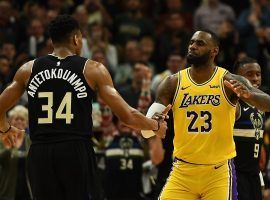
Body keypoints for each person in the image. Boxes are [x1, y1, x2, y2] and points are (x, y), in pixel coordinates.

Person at [0, 15, 169, 200]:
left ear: (51, 40)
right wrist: (154, 125)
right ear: (76, 39)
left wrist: (4, 127)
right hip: (75, 150)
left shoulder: (28, 69)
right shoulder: (92, 69)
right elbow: (127, 115)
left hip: (40, 151)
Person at [142, 30, 270, 199]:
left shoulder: (229, 80)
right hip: (183, 170)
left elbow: (267, 102)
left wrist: (250, 95)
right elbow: (146, 129)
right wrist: (153, 125)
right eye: (191, 42)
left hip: (218, 173)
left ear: (214, 51)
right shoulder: (172, 82)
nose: (193, 46)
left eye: (200, 43)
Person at [233, 57, 265, 200]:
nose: (255, 78)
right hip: (235, 173)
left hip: (253, 173)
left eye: (258, 74)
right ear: (237, 78)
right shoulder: (234, 105)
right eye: (250, 74)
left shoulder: (261, 105)